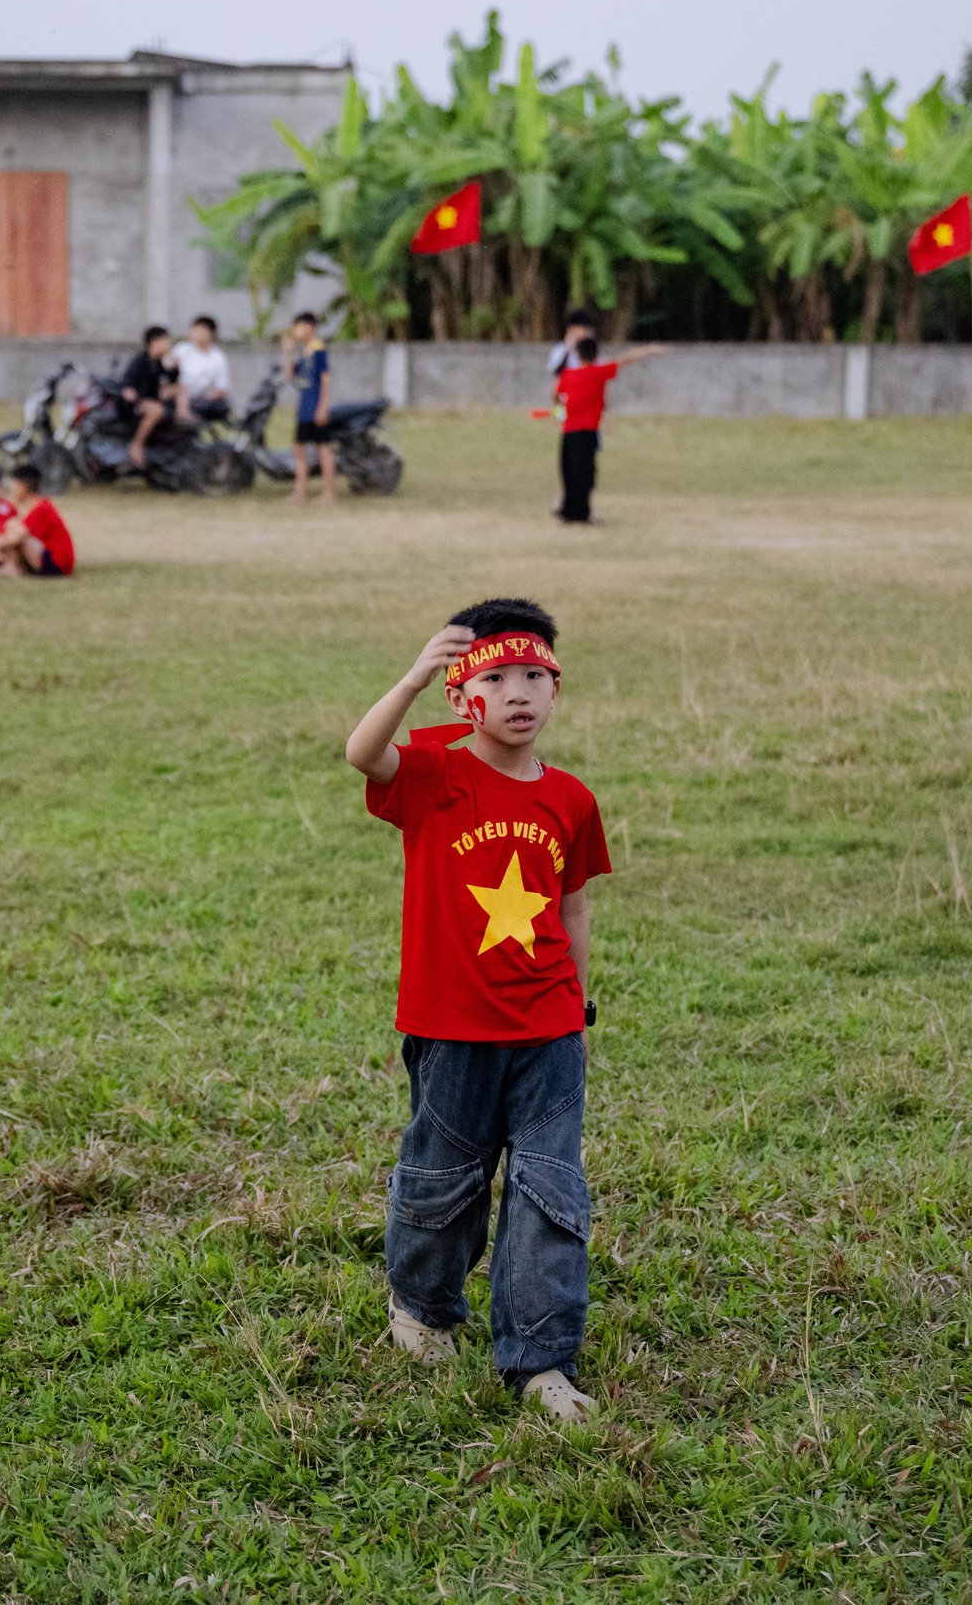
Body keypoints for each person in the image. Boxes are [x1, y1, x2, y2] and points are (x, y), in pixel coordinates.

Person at [345, 597, 611, 1423]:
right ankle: (423, 1310)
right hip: (451, 1027)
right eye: (496, 678)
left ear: (556, 689)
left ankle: (540, 1359)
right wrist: (413, 677)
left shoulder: (571, 798)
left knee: (548, 1190)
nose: (518, 692)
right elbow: (362, 752)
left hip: (548, 1028)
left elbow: (573, 910)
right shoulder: (436, 774)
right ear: (463, 697)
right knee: (444, 1180)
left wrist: (579, 1012)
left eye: (535, 675)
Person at [552, 336, 668, 526]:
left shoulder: (568, 375)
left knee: (569, 472)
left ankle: (568, 512)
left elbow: (556, 394)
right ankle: (581, 514)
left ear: (578, 355)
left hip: (568, 432)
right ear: (596, 355)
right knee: (585, 474)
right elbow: (625, 359)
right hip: (587, 432)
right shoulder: (598, 372)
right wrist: (649, 349)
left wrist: (559, 415)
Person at [0, 463, 75, 577]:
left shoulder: (41, 508)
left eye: (14, 486)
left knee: (14, 534)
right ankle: (0, 568)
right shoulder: (36, 506)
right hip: (49, 557)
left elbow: (15, 538)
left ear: (22, 487)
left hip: (57, 564)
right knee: (11, 532)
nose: (12, 490)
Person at [280, 310, 336, 506]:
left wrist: (323, 407)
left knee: (323, 450)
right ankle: (299, 493)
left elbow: (326, 379)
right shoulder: (305, 353)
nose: (295, 331)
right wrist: (288, 353)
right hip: (304, 410)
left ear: (309, 328)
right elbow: (290, 376)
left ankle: (329, 494)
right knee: (299, 450)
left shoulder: (318, 349)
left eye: (298, 327)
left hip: (315, 409)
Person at [119, 325, 175, 472]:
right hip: (135, 405)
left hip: (152, 401)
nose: (169, 344)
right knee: (156, 410)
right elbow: (129, 386)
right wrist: (134, 397)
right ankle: (137, 445)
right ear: (156, 342)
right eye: (166, 340)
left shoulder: (159, 362)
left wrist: (173, 367)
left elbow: (171, 380)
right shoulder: (141, 361)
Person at [167, 314, 233, 423]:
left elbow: (222, 388)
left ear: (210, 333)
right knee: (181, 388)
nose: (194, 334)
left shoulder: (218, 357)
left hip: (200, 397)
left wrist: (210, 396)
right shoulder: (182, 349)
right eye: (193, 330)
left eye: (199, 331)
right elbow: (166, 366)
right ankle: (183, 416)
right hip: (176, 393)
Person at [545, 306, 599, 378]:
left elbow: (598, 371)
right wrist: (567, 351)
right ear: (571, 329)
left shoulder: (593, 350)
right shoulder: (560, 350)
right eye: (584, 329)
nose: (586, 332)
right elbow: (557, 373)